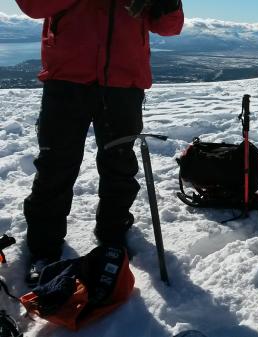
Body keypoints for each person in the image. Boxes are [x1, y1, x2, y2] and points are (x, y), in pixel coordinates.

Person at [15, 0, 184, 286]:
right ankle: (44, 250)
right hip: (67, 81)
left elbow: (170, 27)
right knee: (55, 166)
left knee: (119, 165)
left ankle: (113, 236)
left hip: (123, 84)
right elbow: (33, 5)